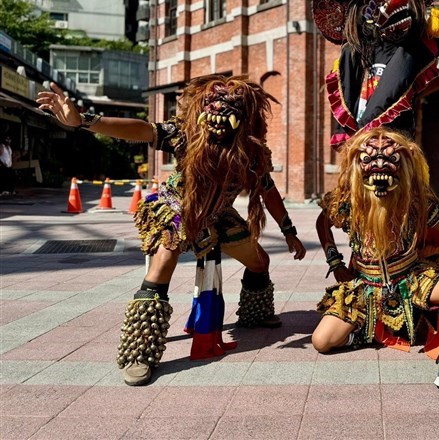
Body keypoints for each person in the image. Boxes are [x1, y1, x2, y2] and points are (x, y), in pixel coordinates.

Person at [37, 75, 306, 386]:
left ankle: (255, 313)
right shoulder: (186, 134)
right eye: (213, 105)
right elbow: (144, 130)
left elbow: (268, 191)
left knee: (260, 262)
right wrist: (84, 120)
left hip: (218, 216)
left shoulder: (252, 154)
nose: (218, 114)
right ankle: (140, 351)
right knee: (164, 260)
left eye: (229, 107)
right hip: (178, 207)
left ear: (244, 118)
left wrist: (288, 231)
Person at [312, 127, 439, 390]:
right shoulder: (347, 201)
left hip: (412, 277)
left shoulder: (416, 201)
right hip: (366, 287)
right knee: (321, 342)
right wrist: (334, 261)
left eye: (390, 160)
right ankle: (370, 330)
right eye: (369, 160)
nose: (379, 166)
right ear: (358, 165)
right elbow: (322, 223)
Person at [312, 0, 439, 147]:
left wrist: (360, 131)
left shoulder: (409, 47)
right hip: (359, 142)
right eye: (368, 2)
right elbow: (348, 87)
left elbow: (395, 83)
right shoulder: (354, 51)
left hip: (393, 139)